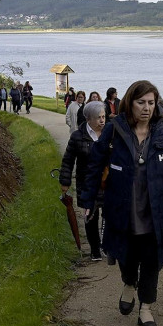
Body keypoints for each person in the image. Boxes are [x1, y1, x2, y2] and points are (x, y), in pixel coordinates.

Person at [82, 80, 163, 326]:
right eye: (141, 102)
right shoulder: (114, 131)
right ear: (129, 103)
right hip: (122, 210)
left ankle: (146, 309)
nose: (146, 108)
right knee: (126, 256)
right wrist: (88, 200)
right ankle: (128, 282)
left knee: (151, 261)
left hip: (155, 212)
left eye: (151, 103)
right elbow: (95, 165)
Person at [59, 100, 107, 261]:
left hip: (108, 182)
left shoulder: (110, 133)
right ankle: (95, 249)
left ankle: (106, 245)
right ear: (88, 119)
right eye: (98, 117)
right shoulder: (77, 137)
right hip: (87, 184)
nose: (102, 120)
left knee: (109, 215)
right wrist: (65, 182)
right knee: (91, 216)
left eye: (103, 116)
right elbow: (68, 160)